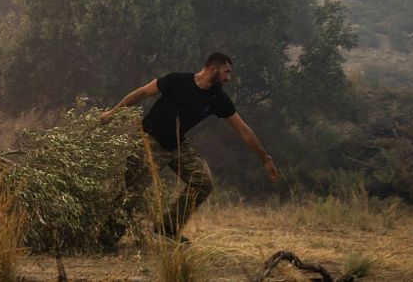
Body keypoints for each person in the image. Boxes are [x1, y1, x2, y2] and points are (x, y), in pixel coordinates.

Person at [100, 52, 279, 242]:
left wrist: (265, 159)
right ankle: (104, 240)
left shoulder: (218, 98)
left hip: (177, 146)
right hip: (149, 141)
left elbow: (243, 129)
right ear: (212, 68)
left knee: (203, 183)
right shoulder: (176, 80)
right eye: (226, 72)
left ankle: (166, 230)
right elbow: (142, 93)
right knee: (132, 191)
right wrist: (113, 112)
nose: (229, 78)